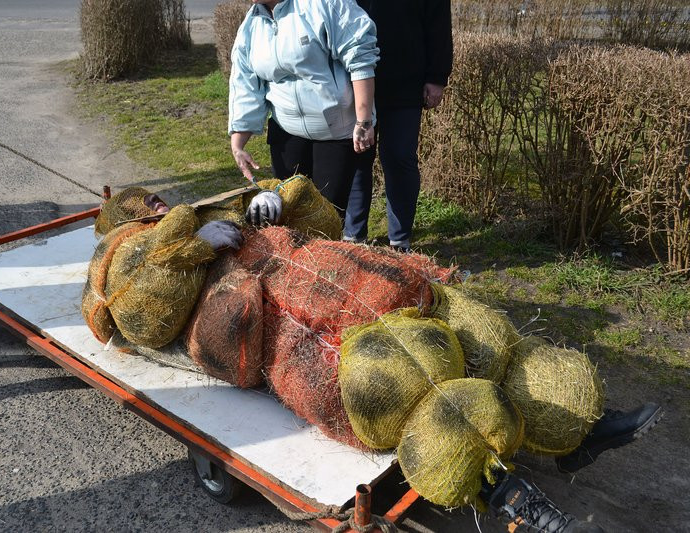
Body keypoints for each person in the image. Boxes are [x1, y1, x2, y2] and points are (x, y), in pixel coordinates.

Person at [84, 184, 661, 533]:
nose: (157, 204)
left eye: (157, 198)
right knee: (393, 379)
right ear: (125, 223)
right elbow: (141, 314)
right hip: (278, 321)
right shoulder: (119, 258)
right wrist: (187, 247)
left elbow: (324, 218)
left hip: (333, 270)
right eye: (144, 206)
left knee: (467, 324)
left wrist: (274, 199)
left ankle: (571, 431)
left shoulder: (213, 210)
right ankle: (502, 490)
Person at [228, 0, 379, 216]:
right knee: (289, 213)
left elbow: (361, 57)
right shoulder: (251, 25)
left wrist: (364, 121)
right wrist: (238, 144)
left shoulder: (324, 4)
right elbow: (246, 84)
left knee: (326, 217)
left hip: (335, 134)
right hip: (287, 134)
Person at [344, 0, 453, 251]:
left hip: (406, 81)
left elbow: (438, 23)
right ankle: (353, 237)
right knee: (357, 156)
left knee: (399, 158)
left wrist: (437, 76)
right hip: (355, 82)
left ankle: (400, 240)